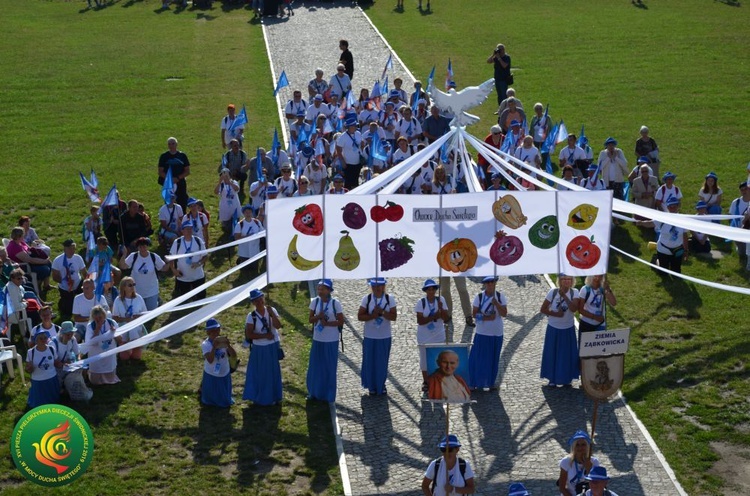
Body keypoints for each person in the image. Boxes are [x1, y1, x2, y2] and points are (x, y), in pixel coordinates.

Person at [306, 279, 345, 402]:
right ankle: (314, 392)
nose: (320, 291)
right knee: (316, 366)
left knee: (329, 367)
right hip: (318, 339)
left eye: (322, 289)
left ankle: (328, 394)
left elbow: (340, 321)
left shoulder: (335, 303)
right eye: (318, 288)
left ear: (328, 290)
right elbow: (310, 319)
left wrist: (327, 323)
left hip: (331, 340)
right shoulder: (315, 302)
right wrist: (318, 316)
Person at [358, 277, 397, 395]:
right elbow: (360, 316)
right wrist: (372, 316)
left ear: (384, 286)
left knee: (381, 362)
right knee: (369, 361)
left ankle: (381, 385)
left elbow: (394, 317)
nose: (377, 288)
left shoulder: (389, 299)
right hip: (370, 335)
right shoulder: (367, 299)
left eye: (380, 286)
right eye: (374, 286)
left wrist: (383, 312)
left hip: (384, 336)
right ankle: (371, 386)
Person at [243, 289, 283, 406]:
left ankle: (274, 396)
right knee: (260, 373)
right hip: (260, 348)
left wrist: (272, 314)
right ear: (253, 303)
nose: (259, 301)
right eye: (256, 300)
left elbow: (278, 326)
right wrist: (265, 335)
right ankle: (260, 397)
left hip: (272, 345)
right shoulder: (251, 316)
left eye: (261, 298)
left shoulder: (272, 310)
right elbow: (249, 334)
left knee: (272, 372)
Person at [540, 274, 580, 388]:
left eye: (569, 279)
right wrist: (555, 314)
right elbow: (543, 309)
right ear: (560, 281)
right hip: (554, 327)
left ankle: (567, 378)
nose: (566, 281)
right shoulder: (552, 292)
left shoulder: (574, 292)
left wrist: (565, 297)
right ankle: (552, 378)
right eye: (564, 279)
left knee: (566, 354)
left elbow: (574, 309)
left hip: (568, 328)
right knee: (552, 353)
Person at [468, 276, 507, 390]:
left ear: (495, 283)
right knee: (478, 359)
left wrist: (497, 304)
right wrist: (487, 318)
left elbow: (504, 313)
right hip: (482, 333)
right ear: (484, 284)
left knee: (493, 359)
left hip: (496, 333)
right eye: (488, 282)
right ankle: (474, 382)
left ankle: (490, 382)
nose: (490, 284)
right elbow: (474, 314)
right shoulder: (479, 297)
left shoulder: (500, 297)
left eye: (492, 282)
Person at [415, 279, 450, 390]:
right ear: (426, 291)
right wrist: (433, 317)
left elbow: (446, 318)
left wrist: (441, 309)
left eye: (433, 289)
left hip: (439, 334)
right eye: (429, 289)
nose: (431, 291)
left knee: (439, 358)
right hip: (424, 336)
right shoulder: (421, 303)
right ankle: (426, 381)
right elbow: (420, 321)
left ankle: (439, 380)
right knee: (424, 359)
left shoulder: (441, 300)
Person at [51, 321, 92, 402]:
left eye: (71, 334)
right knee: (57, 390)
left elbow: (77, 354)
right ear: (62, 333)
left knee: (82, 370)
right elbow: (54, 362)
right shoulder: (53, 343)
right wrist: (63, 365)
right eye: (67, 334)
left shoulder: (73, 340)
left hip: (68, 365)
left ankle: (77, 388)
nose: (70, 336)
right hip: (55, 369)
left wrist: (78, 361)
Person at [200, 318, 236, 408]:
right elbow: (210, 360)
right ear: (208, 332)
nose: (216, 333)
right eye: (213, 331)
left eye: (217, 330)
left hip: (224, 370)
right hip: (211, 372)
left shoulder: (223, 341)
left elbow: (234, 355)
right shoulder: (206, 344)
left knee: (223, 392)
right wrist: (214, 347)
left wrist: (228, 345)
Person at [83, 305, 122, 385]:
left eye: (100, 317)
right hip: (96, 357)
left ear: (104, 315)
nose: (98, 320)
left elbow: (120, 340)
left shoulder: (112, 323)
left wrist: (114, 333)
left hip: (109, 357)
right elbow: (91, 344)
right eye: (95, 318)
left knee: (110, 380)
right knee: (95, 382)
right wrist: (97, 329)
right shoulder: (91, 326)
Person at [111, 276, 147, 361]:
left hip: (136, 327)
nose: (133, 287)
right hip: (124, 328)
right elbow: (114, 317)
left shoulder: (138, 298)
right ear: (123, 287)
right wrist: (124, 319)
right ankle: (124, 347)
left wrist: (137, 317)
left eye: (133, 284)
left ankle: (135, 347)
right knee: (124, 358)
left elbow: (145, 314)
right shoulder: (118, 300)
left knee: (136, 358)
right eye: (130, 285)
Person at [6, 226, 52, 292]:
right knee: (45, 269)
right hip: (24, 266)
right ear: (19, 236)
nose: (24, 236)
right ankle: (37, 284)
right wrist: (43, 261)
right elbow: (29, 260)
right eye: (23, 235)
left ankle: (46, 285)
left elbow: (29, 249)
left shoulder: (20, 242)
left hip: (30, 261)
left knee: (49, 263)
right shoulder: (14, 247)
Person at [169, 223, 207, 300]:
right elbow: (171, 257)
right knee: (184, 299)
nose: (189, 231)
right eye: (187, 229)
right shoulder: (177, 242)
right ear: (182, 231)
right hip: (183, 278)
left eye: (190, 228)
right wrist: (173, 270)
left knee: (201, 298)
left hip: (198, 276)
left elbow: (205, 256)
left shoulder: (198, 240)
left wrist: (199, 263)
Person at [25, 328, 60, 408]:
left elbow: (56, 362)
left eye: (45, 338)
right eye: (41, 338)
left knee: (53, 402)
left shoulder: (51, 349)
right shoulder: (31, 352)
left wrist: (63, 364)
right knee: (39, 405)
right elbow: (27, 368)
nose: (44, 340)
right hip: (38, 381)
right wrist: (29, 368)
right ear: (36, 340)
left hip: (51, 378)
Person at [51, 239, 87, 318]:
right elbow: (54, 277)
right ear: (65, 249)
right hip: (65, 287)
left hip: (78, 284)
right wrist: (66, 282)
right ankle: (63, 302)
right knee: (68, 312)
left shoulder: (78, 258)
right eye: (70, 248)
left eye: (74, 248)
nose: (72, 250)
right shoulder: (57, 261)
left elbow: (84, 272)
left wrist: (87, 283)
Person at [653, 197, 689, 273]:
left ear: (678, 206)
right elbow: (650, 223)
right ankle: (657, 260)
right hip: (663, 249)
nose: (672, 208)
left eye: (674, 206)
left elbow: (685, 235)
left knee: (676, 273)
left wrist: (685, 250)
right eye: (670, 207)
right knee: (663, 273)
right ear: (667, 207)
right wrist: (638, 222)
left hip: (677, 250)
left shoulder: (683, 220)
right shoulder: (662, 218)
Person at [559, 430, 600, 496]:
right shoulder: (566, 462)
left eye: (583, 444)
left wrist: (589, 469)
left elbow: (598, 485)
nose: (580, 447)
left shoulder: (594, 462)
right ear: (573, 447)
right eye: (577, 445)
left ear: (587, 446)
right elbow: (562, 488)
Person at [158, 137, 191, 210]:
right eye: (169, 144)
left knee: (182, 201)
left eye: (173, 143)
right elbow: (160, 171)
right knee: (169, 202)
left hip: (180, 182)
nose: (171, 145)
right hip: (168, 184)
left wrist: (178, 178)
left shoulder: (182, 156)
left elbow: (187, 171)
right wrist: (170, 179)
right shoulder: (164, 156)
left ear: (176, 144)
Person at [234, 205, 264, 271]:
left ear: (252, 213)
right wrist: (248, 237)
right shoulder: (240, 224)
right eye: (246, 212)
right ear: (243, 213)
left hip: (255, 250)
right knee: (245, 270)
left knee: (254, 270)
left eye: (249, 212)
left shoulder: (257, 222)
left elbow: (262, 233)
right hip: (244, 251)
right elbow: (237, 238)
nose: (248, 214)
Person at [336, 119, 363, 190]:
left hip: (357, 163)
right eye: (353, 126)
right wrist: (342, 161)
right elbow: (338, 150)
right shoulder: (343, 137)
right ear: (349, 127)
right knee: (348, 184)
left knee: (356, 183)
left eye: (355, 126)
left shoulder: (358, 134)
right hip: (348, 163)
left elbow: (361, 144)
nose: (355, 127)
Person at [214, 168, 242, 233]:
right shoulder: (221, 184)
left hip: (234, 206)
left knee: (236, 224)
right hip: (225, 207)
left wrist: (229, 183)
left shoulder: (234, 182)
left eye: (227, 175)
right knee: (226, 228)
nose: (225, 177)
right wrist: (219, 182)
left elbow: (237, 189)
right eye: (223, 175)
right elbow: (216, 192)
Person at [729, 182, 750, 259]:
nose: (744, 191)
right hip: (740, 231)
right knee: (742, 254)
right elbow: (731, 218)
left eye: (746, 189)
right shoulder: (736, 202)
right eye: (742, 190)